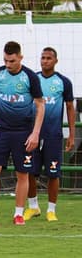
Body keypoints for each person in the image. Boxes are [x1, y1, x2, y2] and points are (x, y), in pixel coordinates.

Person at [0, 41, 45, 226]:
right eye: (5, 60)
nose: (8, 64)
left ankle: (19, 214)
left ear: (20, 58)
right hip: (2, 131)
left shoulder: (30, 76)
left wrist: (35, 133)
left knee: (22, 174)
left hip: (24, 132)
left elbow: (40, 104)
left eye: (12, 61)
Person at [24, 47, 75, 222]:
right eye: (42, 58)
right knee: (29, 171)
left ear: (55, 61)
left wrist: (72, 134)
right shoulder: (33, 79)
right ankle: (33, 207)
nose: (45, 61)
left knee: (53, 173)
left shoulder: (63, 82)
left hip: (53, 135)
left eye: (48, 58)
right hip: (33, 135)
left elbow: (69, 107)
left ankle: (51, 210)